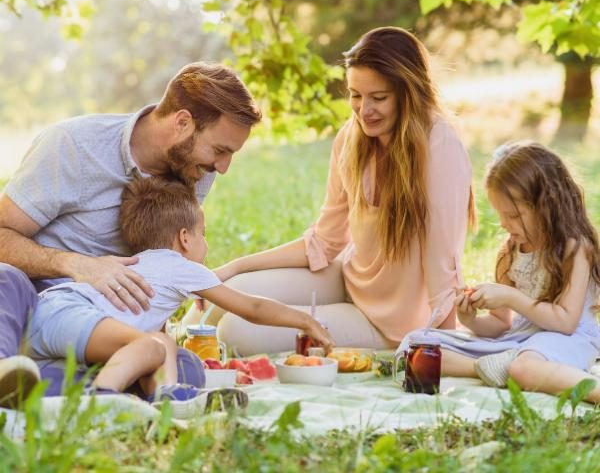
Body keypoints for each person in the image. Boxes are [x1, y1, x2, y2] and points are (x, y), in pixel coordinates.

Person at [0, 62, 261, 408]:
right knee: (6, 280)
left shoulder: (195, 170)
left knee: (184, 369)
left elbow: (165, 261)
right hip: (35, 308)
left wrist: (153, 338)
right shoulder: (74, 145)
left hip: (105, 330)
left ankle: (47, 388)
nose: (223, 167)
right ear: (182, 122)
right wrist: (77, 265)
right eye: (220, 150)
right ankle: (11, 369)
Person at [207, 27, 474, 355]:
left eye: (379, 98)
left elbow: (442, 259)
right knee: (232, 292)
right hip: (348, 281)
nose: (364, 110)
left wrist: (441, 349)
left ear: (409, 94)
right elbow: (325, 241)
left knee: (237, 331)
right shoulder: (352, 138)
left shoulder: (439, 145)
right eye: (356, 95)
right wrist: (236, 266)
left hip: (390, 323)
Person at [26, 175, 333, 418]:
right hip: (70, 312)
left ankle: (169, 400)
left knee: (162, 345)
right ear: (185, 238)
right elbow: (251, 307)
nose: (206, 243)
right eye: (205, 234)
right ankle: (102, 402)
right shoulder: (181, 267)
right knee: (149, 345)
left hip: (53, 314)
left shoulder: (148, 263)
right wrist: (304, 320)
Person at [402, 141, 600, 402]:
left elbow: (565, 322)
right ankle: (486, 367)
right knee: (414, 345)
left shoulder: (575, 248)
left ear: (547, 205)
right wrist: (471, 319)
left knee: (524, 367)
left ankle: (593, 391)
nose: (505, 224)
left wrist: (509, 296)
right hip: (517, 341)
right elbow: (500, 325)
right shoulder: (510, 252)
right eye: (501, 215)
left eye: (514, 215)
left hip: (570, 339)